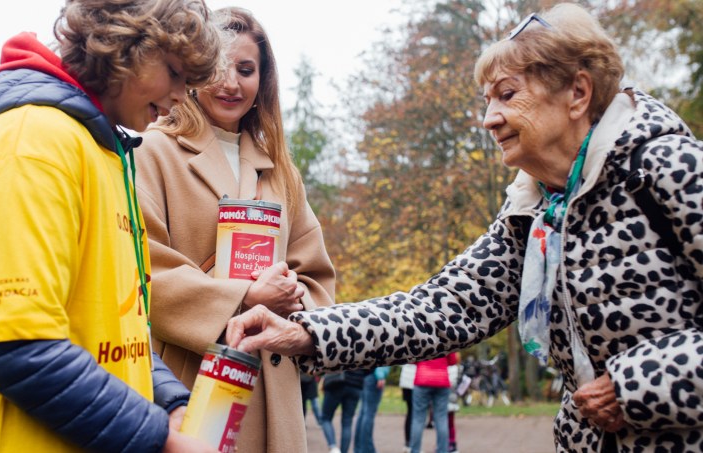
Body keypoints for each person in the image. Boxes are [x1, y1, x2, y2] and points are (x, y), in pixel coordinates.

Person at [226, 3, 703, 451]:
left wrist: (637, 385)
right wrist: (304, 332)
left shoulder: (666, 166)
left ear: (577, 93)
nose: (488, 119)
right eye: (487, 99)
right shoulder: (534, 210)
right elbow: (440, 308)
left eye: (508, 95)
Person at [0, 1, 223, 452]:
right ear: (126, 44)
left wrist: (170, 402)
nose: (184, 95)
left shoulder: (100, 150)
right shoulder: (27, 141)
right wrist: (162, 441)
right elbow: (19, 346)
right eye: (176, 73)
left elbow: (121, 325)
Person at [133, 7, 335, 452]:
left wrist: (289, 296)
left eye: (245, 70)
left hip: (274, 382)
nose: (231, 83)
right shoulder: (153, 151)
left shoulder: (281, 171)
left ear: (263, 82)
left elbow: (316, 276)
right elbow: (141, 270)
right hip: (193, 375)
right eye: (219, 68)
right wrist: (243, 295)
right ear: (194, 69)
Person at [410, 353, 457, 453]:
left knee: (418, 419)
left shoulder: (420, 337)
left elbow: (412, 358)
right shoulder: (447, 338)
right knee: (441, 419)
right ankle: (443, 450)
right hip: (442, 379)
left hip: (422, 378)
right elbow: (453, 360)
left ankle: (415, 450)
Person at [320, 370, 366, 453]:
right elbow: (370, 367)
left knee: (325, 418)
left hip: (336, 382)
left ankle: (333, 447)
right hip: (356, 385)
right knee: (347, 423)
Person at [353, 366, 390, 453]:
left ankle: (358, 449)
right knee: (368, 414)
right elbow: (381, 354)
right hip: (374, 376)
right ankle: (367, 450)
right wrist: (380, 375)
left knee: (363, 413)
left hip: (364, 375)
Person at [398, 363, 416, 453]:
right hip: (415, 380)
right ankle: (412, 444)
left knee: (410, 412)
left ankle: (408, 443)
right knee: (415, 414)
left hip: (405, 379)